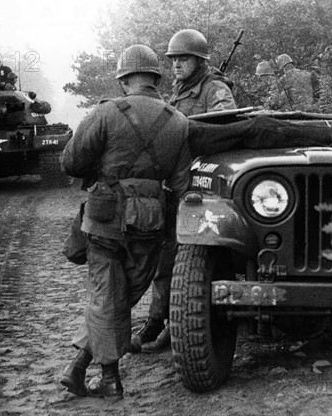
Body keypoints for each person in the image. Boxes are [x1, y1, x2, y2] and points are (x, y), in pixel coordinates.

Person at [59, 44, 191, 399]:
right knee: (118, 298)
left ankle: (109, 379)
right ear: (155, 78)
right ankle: (83, 369)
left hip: (104, 219)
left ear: (123, 80)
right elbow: (181, 185)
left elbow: (71, 163)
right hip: (149, 222)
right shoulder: (178, 122)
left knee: (107, 298)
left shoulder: (106, 113)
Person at [130, 29, 237, 354]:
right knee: (166, 252)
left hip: (202, 184)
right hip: (177, 181)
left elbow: (226, 130)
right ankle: (161, 320)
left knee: (183, 255)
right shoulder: (179, 92)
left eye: (184, 59)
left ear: (200, 60)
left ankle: (171, 324)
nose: (176, 65)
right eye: (173, 59)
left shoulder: (215, 89)